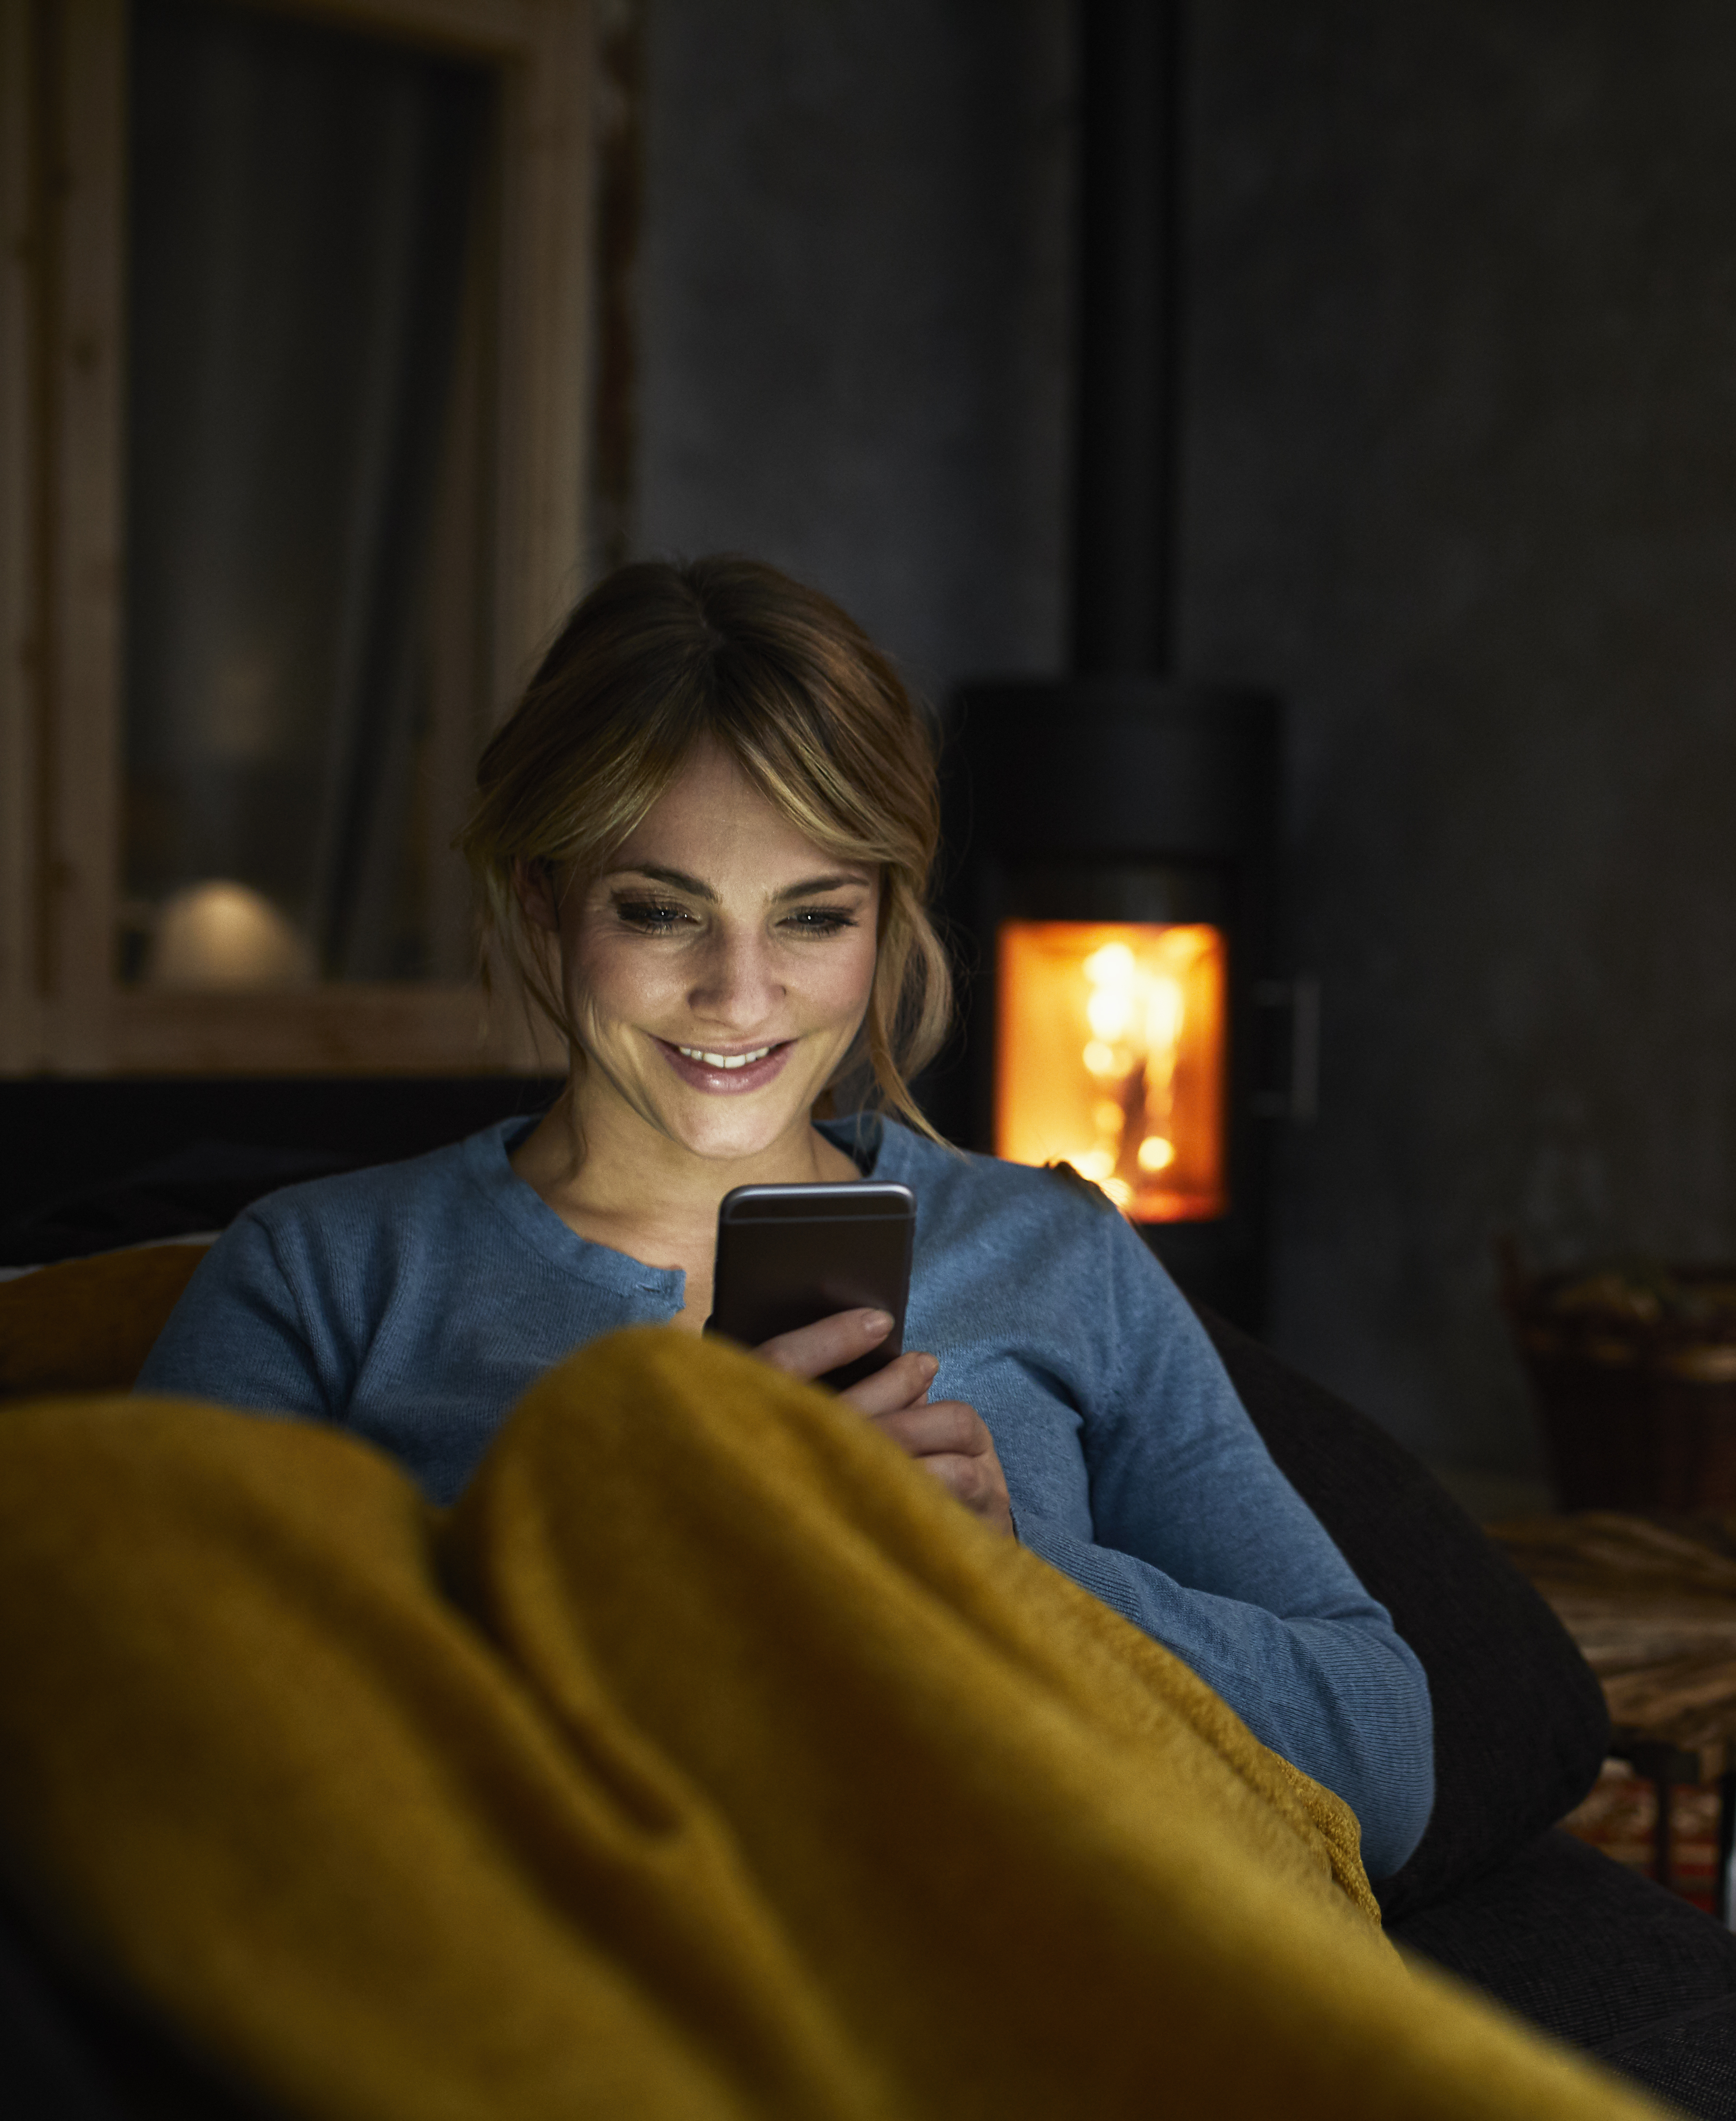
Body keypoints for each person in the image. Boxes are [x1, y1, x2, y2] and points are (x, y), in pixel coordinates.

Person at [138, 554, 1433, 1880]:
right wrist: (636, 1537)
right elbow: (163, 1745)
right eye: (661, 913)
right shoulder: (324, 1275)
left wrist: (1014, 1574)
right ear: (543, 905)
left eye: (812, 918)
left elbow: (1382, 1763)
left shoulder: (1055, 1251)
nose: (740, 997)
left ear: (885, 922)